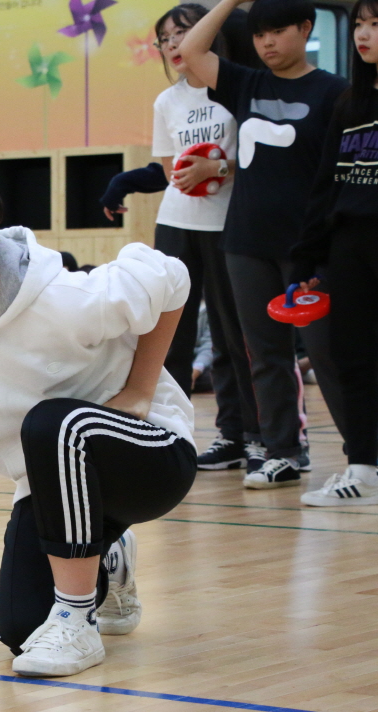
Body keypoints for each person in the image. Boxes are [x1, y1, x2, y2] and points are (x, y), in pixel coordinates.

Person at [0, 168, 195, 678]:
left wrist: (140, 389)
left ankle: (77, 619)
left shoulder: (67, 300)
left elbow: (171, 276)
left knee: (52, 424)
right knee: (23, 630)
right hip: (55, 488)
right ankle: (107, 558)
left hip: (150, 457)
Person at [180, 0, 350, 489]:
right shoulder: (245, 83)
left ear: (306, 28)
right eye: (259, 35)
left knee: (329, 355)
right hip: (245, 242)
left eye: (278, 32)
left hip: (311, 248)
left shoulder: (336, 92)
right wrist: (231, 2)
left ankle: (364, 454)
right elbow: (192, 49)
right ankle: (283, 453)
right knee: (264, 353)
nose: (268, 43)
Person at [147, 4, 262, 474]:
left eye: (182, 33)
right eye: (165, 39)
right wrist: (187, 175)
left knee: (232, 335)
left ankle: (242, 434)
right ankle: (171, 437)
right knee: (167, 334)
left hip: (227, 224)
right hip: (176, 223)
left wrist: (217, 168)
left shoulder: (235, 89)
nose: (174, 45)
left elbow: (254, 162)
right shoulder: (166, 101)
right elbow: (165, 166)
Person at [292, 0, 378, 506]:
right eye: (360, 25)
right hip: (349, 248)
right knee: (352, 358)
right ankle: (363, 468)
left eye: (375, 24)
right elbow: (325, 186)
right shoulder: (349, 104)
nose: (363, 34)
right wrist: (308, 261)